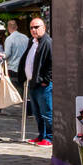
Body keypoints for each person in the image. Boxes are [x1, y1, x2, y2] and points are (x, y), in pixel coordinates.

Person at [24, 16, 53, 146]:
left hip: (43, 84)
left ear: (44, 28)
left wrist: (45, 80)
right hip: (33, 82)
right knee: (37, 113)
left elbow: (52, 63)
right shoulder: (33, 41)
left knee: (46, 112)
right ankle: (42, 135)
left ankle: (50, 138)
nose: (34, 29)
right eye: (31, 27)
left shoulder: (47, 42)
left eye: (37, 27)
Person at [3, 18, 28, 99]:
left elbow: (7, 54)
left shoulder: (9, 39)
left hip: (13, 68)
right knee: (23, 90)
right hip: (24, 68)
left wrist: (0, 55)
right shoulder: (26, 38)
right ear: (16, 27)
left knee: (13, 91)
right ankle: (24, 106)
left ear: (8, 28)